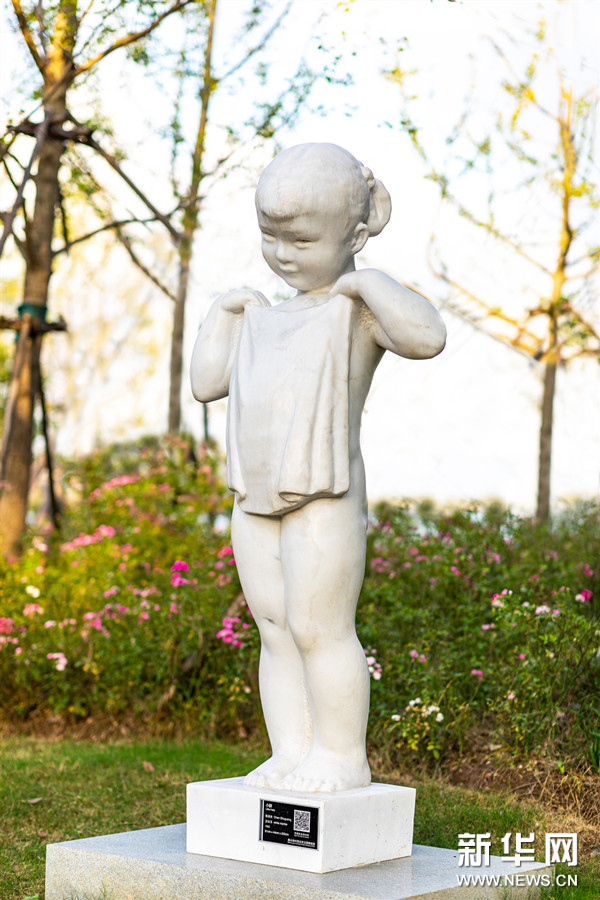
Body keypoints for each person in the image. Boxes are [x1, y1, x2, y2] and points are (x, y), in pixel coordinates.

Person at [191, 143, 446, 792]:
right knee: (275, 629)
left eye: (301, 240)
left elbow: (427, 337)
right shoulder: (261, 317)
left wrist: (367, 281)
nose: (282, 254)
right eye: (269, 236)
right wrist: (222, 313)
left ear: (355, 234)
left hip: (324, 497)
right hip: (252, 497)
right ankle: (290, 752)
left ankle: (340, 756)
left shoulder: (355, 310)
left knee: (319, 627)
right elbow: (205, 383)